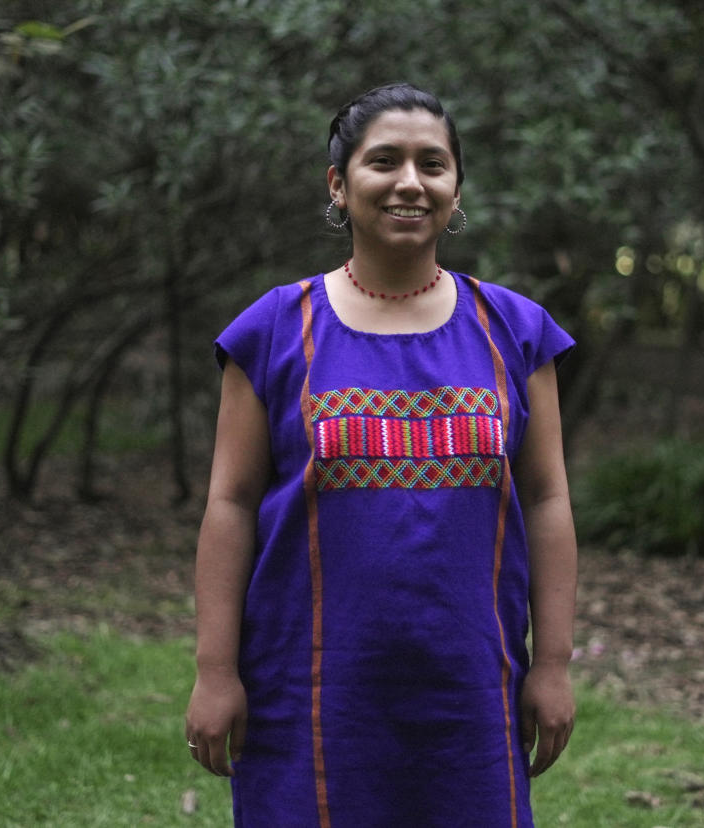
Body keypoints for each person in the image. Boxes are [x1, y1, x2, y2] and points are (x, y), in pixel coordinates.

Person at [184, 82, 578, 828]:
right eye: (384, 161)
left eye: (433, 164)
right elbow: (229, 504)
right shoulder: (273, 330)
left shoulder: (515, 331)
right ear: (339, 183)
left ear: (455, 187)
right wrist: (215, 670)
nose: (409, 182)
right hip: (307, 686)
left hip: (470, 685)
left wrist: (553, 664)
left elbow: (548, 500)